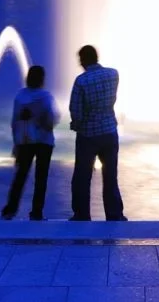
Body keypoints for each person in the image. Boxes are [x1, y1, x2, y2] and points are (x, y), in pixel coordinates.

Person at [68, 44, 125, 221]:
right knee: (110, 177)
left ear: (84, 60)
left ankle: (82, 214)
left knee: (82, 178)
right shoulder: (113, 74)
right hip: (109, 131)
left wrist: (76, 124)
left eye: (80, 60)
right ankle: (114, 214)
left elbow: (75, 110)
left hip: (88, 135)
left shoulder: (81, 81)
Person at [2, 65, 57, 220]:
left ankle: (9, 210)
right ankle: (36, 212)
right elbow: (52, 119)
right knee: (41, 178)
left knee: (20, 176)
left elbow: (14, 122)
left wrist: (16, 143)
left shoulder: (20, 96)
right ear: (42, 79)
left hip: (25, 141)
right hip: (45, 142)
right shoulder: (46, 97)